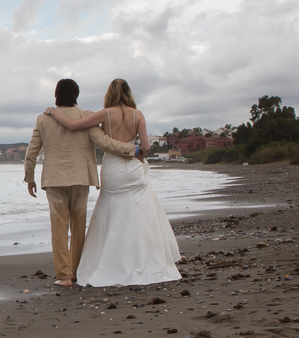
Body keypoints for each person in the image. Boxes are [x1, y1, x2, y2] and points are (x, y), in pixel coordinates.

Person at [43, 78, 181, 286]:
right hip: (133, 167)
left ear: (110, 93)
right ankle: (145, 260)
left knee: (112, 213)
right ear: (129, 93)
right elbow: (145, 146)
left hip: (113, 169)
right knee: (139, 214)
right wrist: (138, 155)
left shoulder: (105, 114)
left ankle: (107, 262)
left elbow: (73, 126)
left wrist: (52, 112)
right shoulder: (139, 115)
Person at [24, 79, 138, 287]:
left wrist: (29, 177)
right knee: (78, 225)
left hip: (54, 178)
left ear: (56, 94)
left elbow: (32, 151)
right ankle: (76, 272)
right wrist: (131, 149)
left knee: (59, 227)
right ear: (76, 95)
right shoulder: (86, 116)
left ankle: (64, 276)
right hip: (80, 177)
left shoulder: (43, 119)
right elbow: (103, 142)